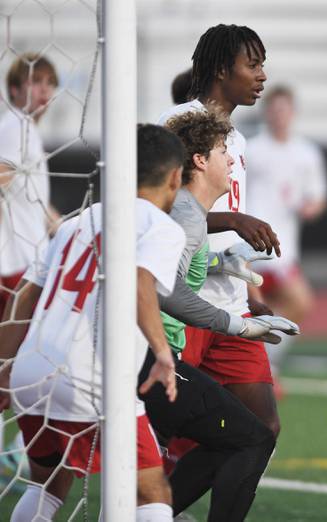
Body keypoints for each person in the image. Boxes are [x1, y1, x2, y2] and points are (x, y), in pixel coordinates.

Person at [0, 124, 187, 522]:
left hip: (32, 375)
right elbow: (139, 282)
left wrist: (3, 370)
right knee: (149, 491)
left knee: (49, 485)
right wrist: (161, 351)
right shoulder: (160, 227)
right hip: (89, 379)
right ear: (176, 177)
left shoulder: (75, 222)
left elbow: (23, 296)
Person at [138, 108, 298, 522]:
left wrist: (220, 263)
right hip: (149, 360)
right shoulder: (187, 215)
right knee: (250, 440)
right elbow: (167, 290)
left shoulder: (182, 213)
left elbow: (170, 262)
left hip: (142, 356)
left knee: (235, 441)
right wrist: (240, 325)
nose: (232, 160)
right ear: (199, 160)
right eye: (223, 150)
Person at [157, 23, 283, 445]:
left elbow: (222, 224)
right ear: (222, 71)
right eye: (253, 64)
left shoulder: (239, 140)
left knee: (263, 428)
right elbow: (160, 210)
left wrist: (249, 296)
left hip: (231, 306)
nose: (262, 75)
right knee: (173, 434)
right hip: (184, 307)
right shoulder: (174, 124)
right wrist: (234, 220)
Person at [246, 85, 327, 372]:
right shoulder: (252, 150)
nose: (279, 115)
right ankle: (252, 359)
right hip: (250, 245)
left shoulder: (306, 153)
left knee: (300, 302)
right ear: (266, 112)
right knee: (247, 306)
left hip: (283, 248)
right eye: (274, 109)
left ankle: (267, 356)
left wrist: (310, 207)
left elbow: (317, 197)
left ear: (293, 113)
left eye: (284, 109)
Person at [0, 53, 59, 314]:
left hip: (30, 260)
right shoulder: (17, 126)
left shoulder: (25, 127)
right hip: (16, 262)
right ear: (15, 89)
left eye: (50, 82)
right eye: (35, 81)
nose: (44, 88)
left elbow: (33, 200)